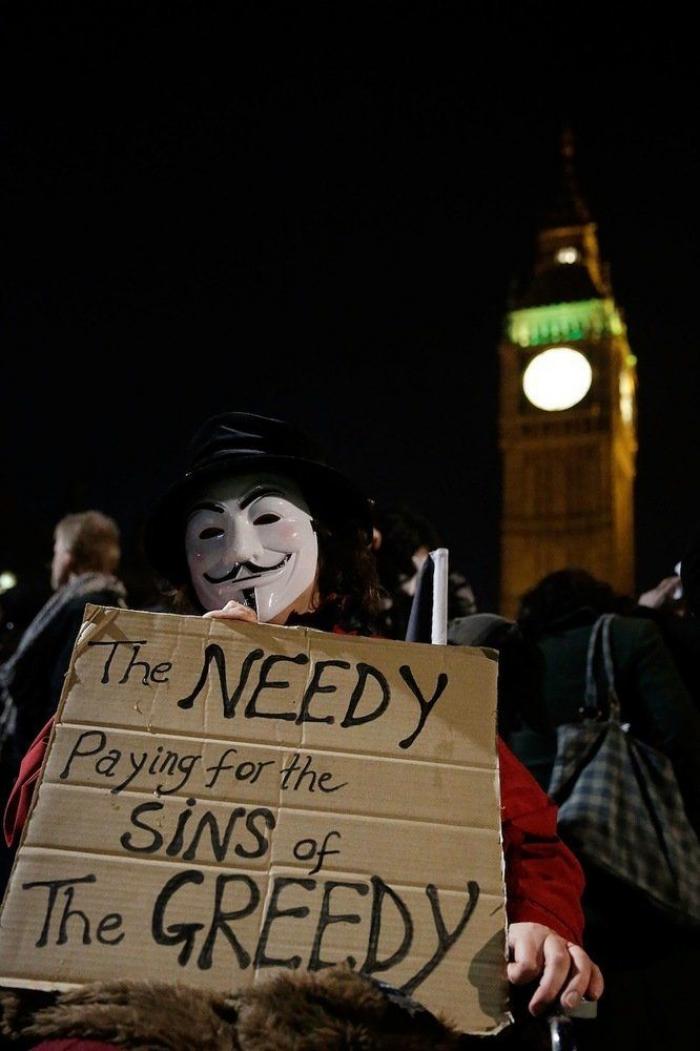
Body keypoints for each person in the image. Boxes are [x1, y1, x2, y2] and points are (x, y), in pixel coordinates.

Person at [4, 414, 601, 1048]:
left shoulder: (404, 693)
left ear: (326, 541)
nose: (240, 553)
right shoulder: (138, 668)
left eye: (266, 520)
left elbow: (530, 842)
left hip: (346, 1016)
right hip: (139, 1012)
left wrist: (542, 925)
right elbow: (34, 817)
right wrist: (169, 687)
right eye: (210, 532)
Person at [510, 568, 700, 1050]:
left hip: (534, 858)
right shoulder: (628, 635)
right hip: (619, 854)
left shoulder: (516, 656)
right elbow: (683, 738)